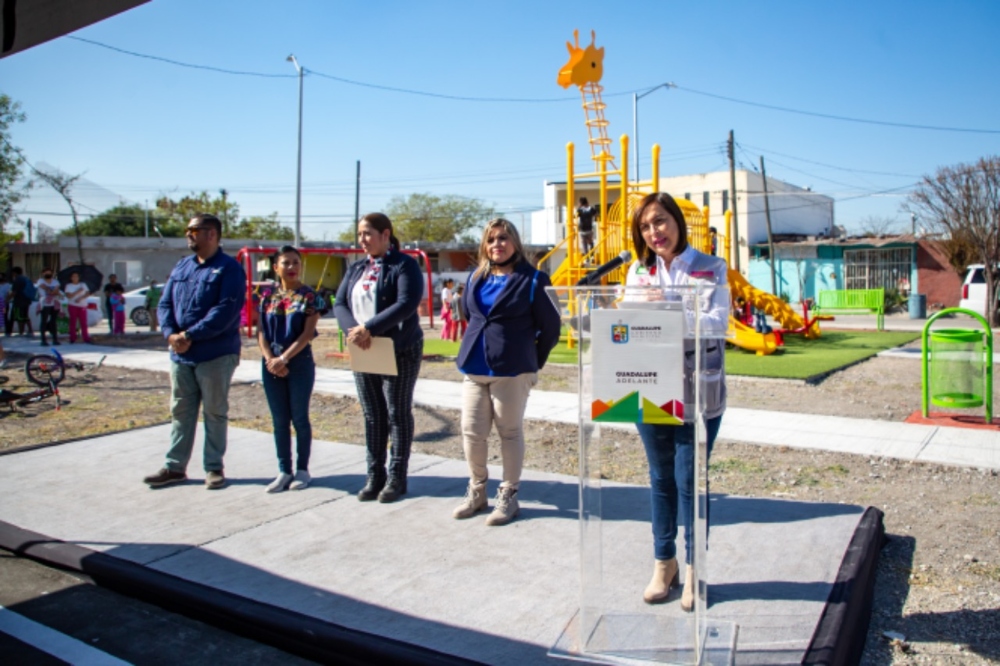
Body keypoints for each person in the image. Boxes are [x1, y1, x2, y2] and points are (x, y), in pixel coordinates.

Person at [625, 192, 728, 610]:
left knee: (690, 482)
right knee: (660, 479)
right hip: (650, 385)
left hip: (698, 392)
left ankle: (694, 569)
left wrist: (668, 309)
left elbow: (718, 323)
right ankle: (663, 563)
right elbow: (628, 322)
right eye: (646, 227)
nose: (655, 233)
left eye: (661, 222)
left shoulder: (711, 267)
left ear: (677, 222)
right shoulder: (638, 270)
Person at [452, 218, 561, 526]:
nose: (496, 244)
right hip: (474, 366)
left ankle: (509, 495)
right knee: (472, 432)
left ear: (515, 242)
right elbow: (469, 315)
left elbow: (551, 328)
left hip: (513, 370)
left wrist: (531, 362)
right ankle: (477, 490)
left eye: (503, 238)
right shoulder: (476, 277)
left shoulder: (536, 280)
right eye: (490, 240)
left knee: (509, 432)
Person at [143, 214, 245, 490]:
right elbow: (165, 305)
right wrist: (171, 334)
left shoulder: (229, 269)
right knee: (181, 411)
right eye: (188, 230)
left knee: (214, 412)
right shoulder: (182, 267)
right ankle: (174, 467)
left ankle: (214, 468)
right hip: (181, 355)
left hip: (215, 354)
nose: (188, 234)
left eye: (194, 230)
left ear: (211, 234)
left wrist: (189, 335)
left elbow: (225, 311)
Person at [334, 212, 424, 503]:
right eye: (360, 234)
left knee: (397, 413)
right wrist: (354, 331)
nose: (362, 240)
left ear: (386, 235)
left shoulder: (404, 265)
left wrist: (368, 328)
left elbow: (406, 303)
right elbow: (339, 303)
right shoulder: (357, 268)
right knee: (372, 414)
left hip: (399, 349)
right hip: (364, 349)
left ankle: (397, 476)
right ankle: (375, 474)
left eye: (368, 234)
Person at [258, 246, 320, 493]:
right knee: (279, 420)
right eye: (286, 263)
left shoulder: (310, 297)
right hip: (271, 364)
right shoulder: (266, 297)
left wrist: (284, 358)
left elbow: (307, 334)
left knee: (299, 418)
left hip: (299, 363)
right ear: (276, 267)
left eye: (296, 262)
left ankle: (303, 470)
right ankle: (284, 470)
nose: (292, 267)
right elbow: (261, 332)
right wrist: (271, 360)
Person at [35, 268, 62, 346]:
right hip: (44, 303)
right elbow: (44, 287)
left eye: (49, 272)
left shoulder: (55, 281)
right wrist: (51, 290)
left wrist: (53, 291)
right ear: (43, 273)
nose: (48, 274)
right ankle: (43, 340)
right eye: (46, 273)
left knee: (53, 321)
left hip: (54, 303)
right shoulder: (40, 281)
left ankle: (55, 339)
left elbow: (56, 290)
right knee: (44, 321)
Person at [64, 272, 93, 344]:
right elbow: (69, 296)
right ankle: (72, 337)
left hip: (82, 305)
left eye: (76, 276)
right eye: (73, 276)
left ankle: (85, 337)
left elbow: (87, 293)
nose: (75, 278)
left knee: (83, 322)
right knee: (73, 321)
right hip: (72, 305)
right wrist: (77, 291)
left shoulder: (83, 284)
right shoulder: (68, 286)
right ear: (71, 278)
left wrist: (81, 298)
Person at [5, 268, 32, 338]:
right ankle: (30, 331)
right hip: (27, 300)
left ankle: (21, 332)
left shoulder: (17, 280)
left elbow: (14, 292)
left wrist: (7, 299)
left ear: (14, 273)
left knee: (19, 316)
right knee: (25, 316)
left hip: (19, 301)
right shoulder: (26, 279)